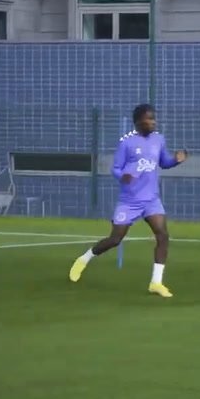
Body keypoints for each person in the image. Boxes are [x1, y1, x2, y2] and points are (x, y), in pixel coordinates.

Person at [69, 103, 187, 297]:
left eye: (153, 118)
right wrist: (122, 176)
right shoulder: (127, 143)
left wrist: (175, 160)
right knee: (115, 239)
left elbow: (163, 162)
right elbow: (115, 168)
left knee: (163, 235)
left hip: (151, 200)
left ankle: (156, 283)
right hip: (130, 201)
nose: (153, 121)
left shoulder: (159, 139)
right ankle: (84, 259)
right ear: (138, 121)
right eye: (149, 119)